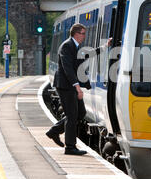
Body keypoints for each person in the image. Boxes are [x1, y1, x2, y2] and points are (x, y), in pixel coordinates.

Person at [46, 23, 111, 155]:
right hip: (65, 86)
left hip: (70, 86)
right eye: (83, 33)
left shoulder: (75, 46)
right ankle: (70, 147)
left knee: (80, 113)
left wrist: (104, 47)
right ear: (76, 34)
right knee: (72, 116)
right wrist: (77, 87)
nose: (84, 36)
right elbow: (67, 68)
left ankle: (54, 131)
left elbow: (87, 55)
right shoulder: (66, 46)